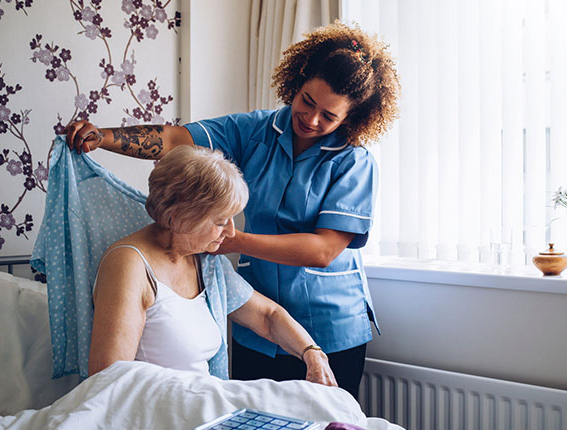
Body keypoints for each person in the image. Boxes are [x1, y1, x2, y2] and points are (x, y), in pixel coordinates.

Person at [68, 21, 400, 397]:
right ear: (297, 82)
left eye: (329, 116)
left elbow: (323, 250)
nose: (311, 119)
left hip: (330, 327)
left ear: (351, 118)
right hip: (257, 324)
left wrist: (226, 238)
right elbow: (176, 140)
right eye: (307, 101)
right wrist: (104, 138)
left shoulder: (354, 162)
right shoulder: (253, 131)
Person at [88, 144, 337, 389]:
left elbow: (267, 316)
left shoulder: (205, 262)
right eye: (220, 222)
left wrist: (312, 353)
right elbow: (108, 380)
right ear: (179, 217)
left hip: (201, 401)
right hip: (157, 407)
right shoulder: (129, 265)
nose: (231, 232)